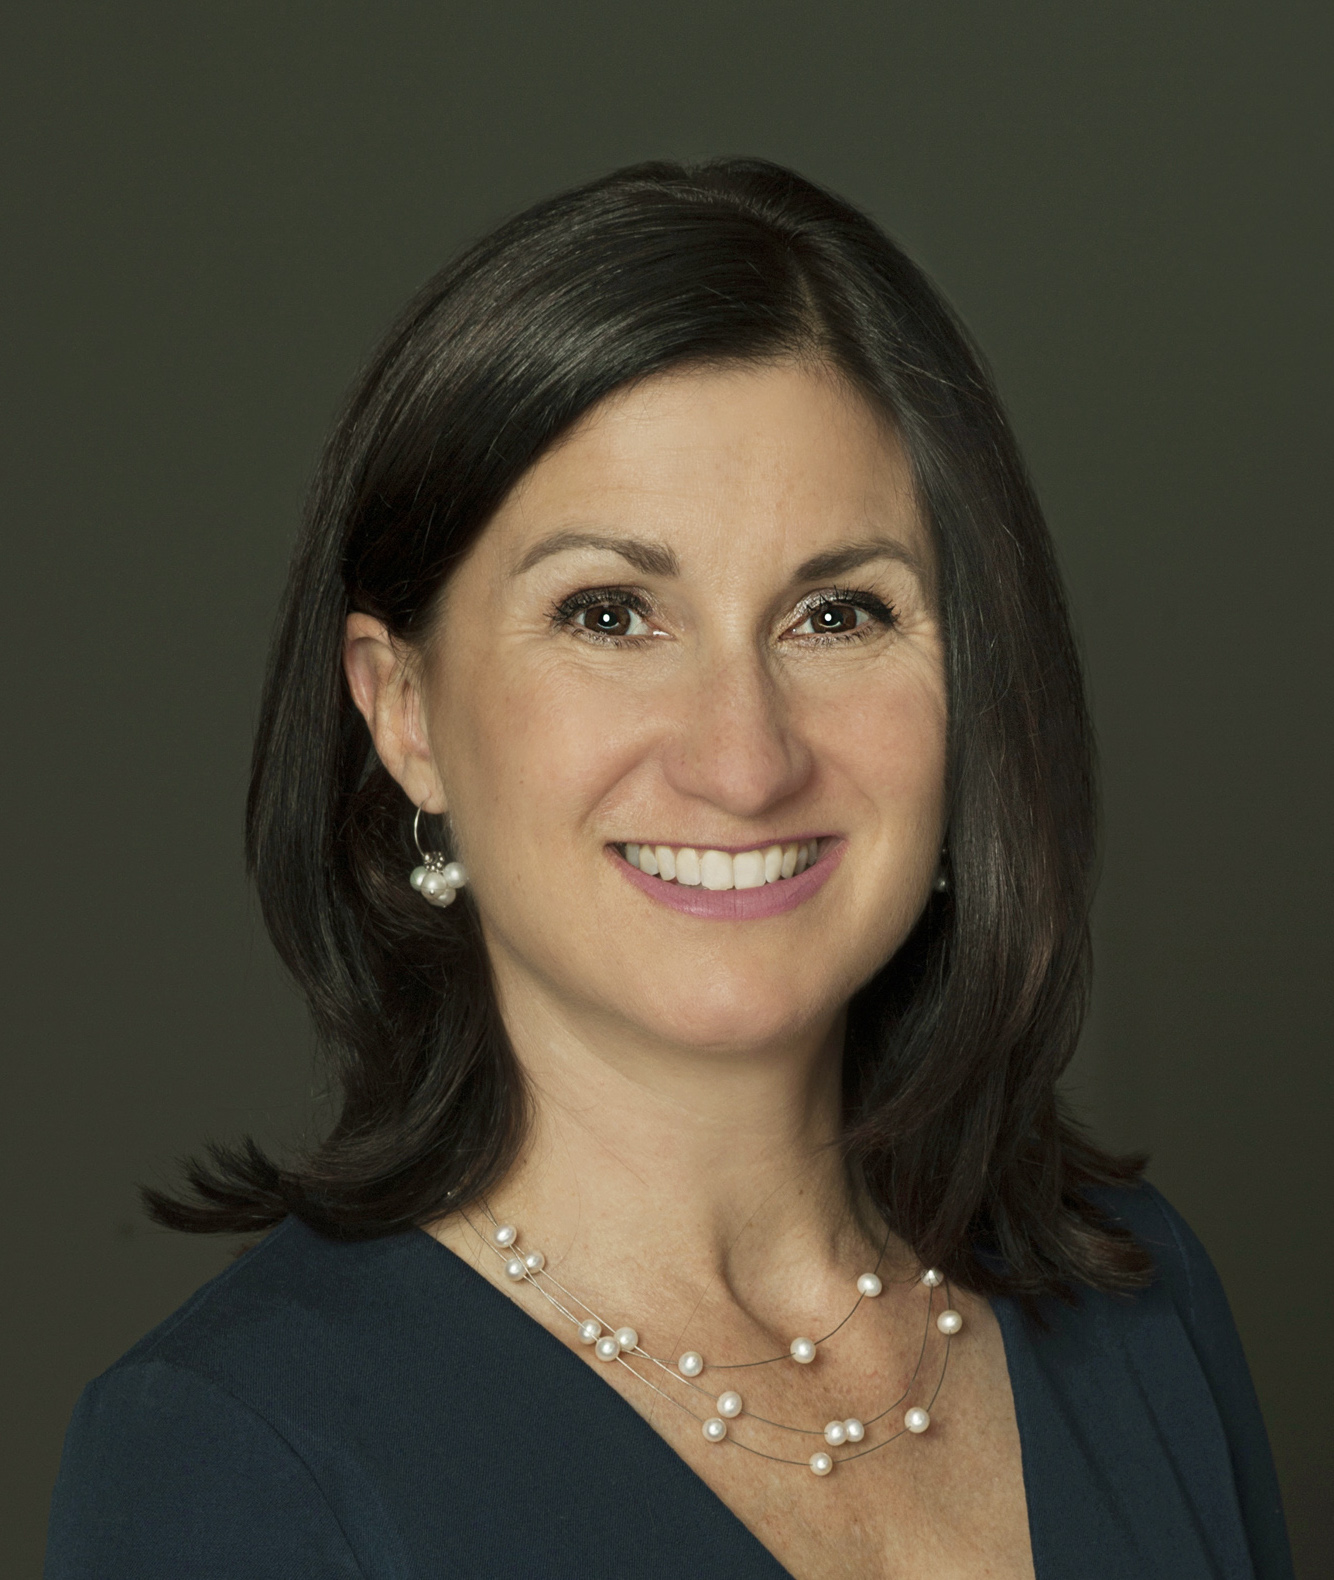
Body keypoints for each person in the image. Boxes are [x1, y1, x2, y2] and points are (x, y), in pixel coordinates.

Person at [45, 159, 1292, 1580]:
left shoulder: (1132, 1298)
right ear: (402, 713)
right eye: (609, 612)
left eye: (836, 613)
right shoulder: (227, 1455)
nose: (742, 757)